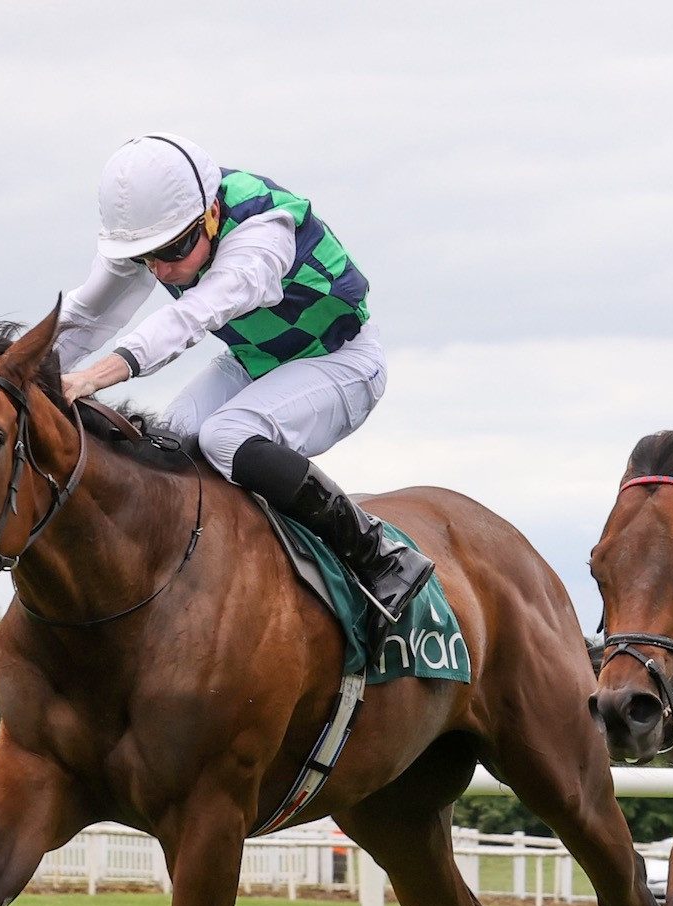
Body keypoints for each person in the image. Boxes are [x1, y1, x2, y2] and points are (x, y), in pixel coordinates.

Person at [53, 133, 432, 623]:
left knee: (224, 437)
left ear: (211, 213)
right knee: (169, 442)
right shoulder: (160, 232)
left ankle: (376, 554)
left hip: (345, 363)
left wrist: (92, 378)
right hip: (255, 360)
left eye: (174, 250)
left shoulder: (263, 233)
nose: (163, 270)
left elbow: (191, 317)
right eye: (148, 258)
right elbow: (85, 315)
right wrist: (10, 371)